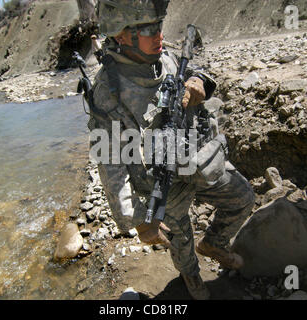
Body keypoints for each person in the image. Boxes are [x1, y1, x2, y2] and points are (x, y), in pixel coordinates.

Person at [87, 0, 255, 300]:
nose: (159, 35)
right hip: (162, 186)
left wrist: (198, 81)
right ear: (121, 35)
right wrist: (137, 218)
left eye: (159, 27)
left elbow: (197, 70)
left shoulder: (163, 59)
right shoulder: (107, 91)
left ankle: (214, 244)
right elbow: (110, 163)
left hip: (198, 162)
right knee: (180, 240)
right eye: (149, 29)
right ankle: (191, 277)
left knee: (243, 197)